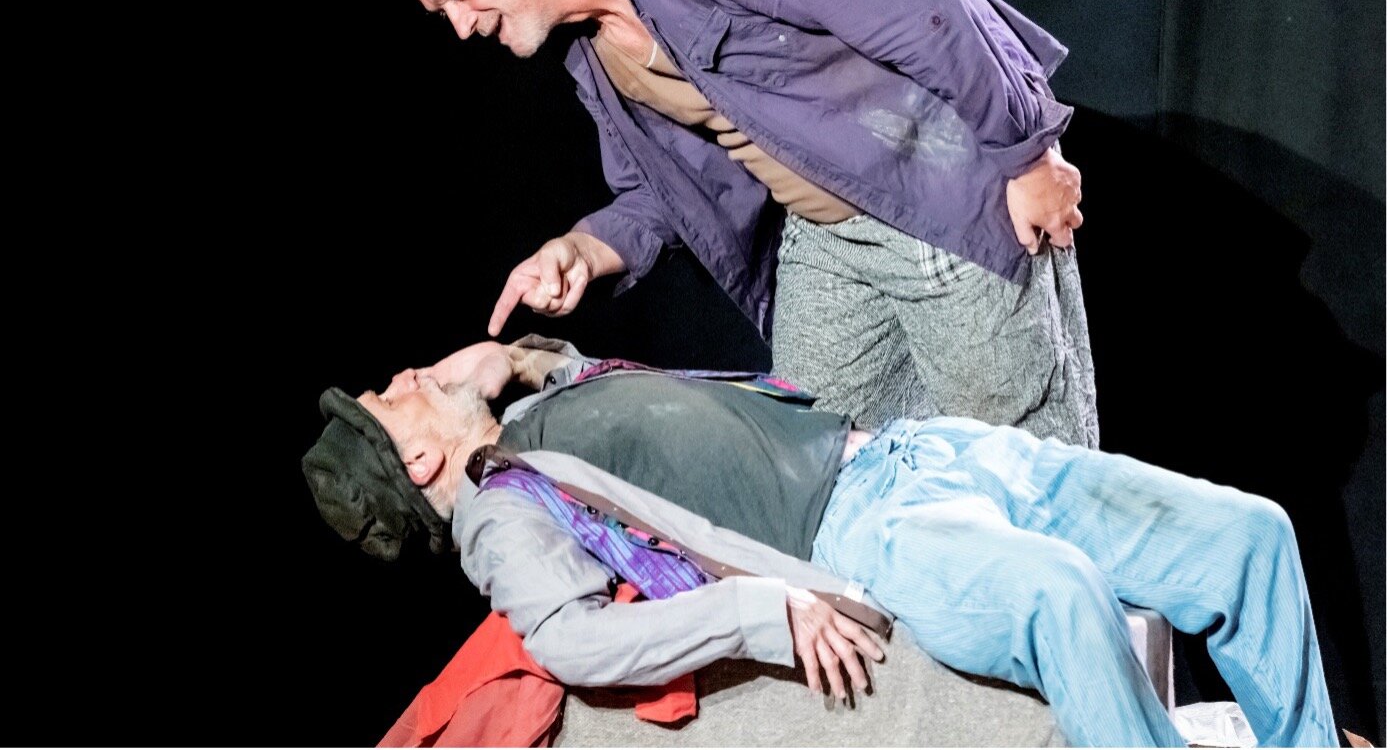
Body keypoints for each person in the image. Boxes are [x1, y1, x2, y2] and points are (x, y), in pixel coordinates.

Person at [303, 336, 1337, 747]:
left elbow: (618, 403)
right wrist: (765, 609)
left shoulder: (530, 423)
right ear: (420, 464)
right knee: (1059, 592)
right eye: (391, 399)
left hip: (922, 450)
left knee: (1247, 535)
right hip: (862, 523)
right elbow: (572, 640)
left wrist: (516, 359)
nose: (405, 375)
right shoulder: (496, 514)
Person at [380, 0, 1097, 442]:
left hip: (928, 194)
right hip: (825, 239)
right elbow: (660, 193)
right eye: (444, 12)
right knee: (818, 467)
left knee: (1020, 471)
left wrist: (1029, 151)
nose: (462, 27)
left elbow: (926, 3)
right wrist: (585, 250)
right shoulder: (590, 46)